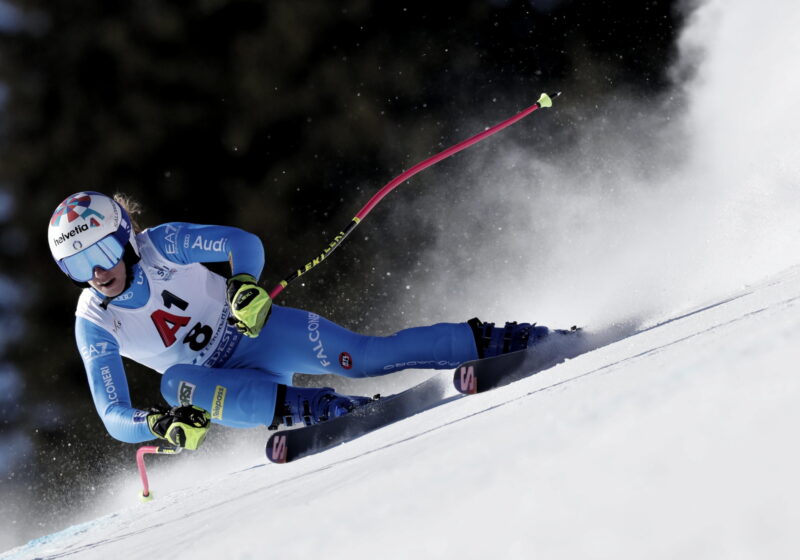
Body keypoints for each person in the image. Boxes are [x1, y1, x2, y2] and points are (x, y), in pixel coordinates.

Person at [48, 191, 553, 450]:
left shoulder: (162, 243)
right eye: (77, 265)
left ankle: (496, 341)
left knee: (366, 357)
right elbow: (113, 415)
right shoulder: (93, 321)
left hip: (260, 335)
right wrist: (160, 424)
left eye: (102, 252)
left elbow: (242, 243)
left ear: (125, 236)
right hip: (225, 386)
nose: (97, 273)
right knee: (174, 385)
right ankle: (320, 410)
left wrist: (243, 284)